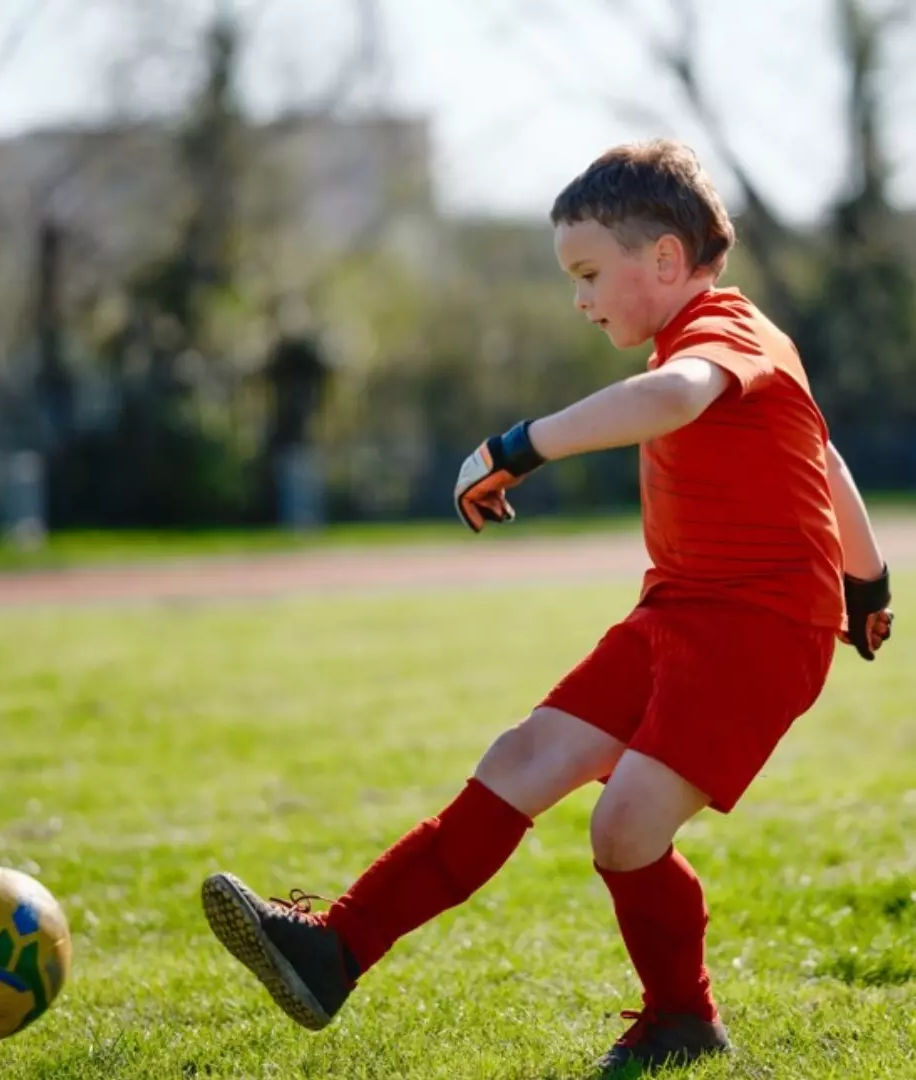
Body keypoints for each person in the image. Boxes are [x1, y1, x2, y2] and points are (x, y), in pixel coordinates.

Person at [200, 140, 894, 1074]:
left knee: (624, 830)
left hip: (761, 629)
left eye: (588, 273)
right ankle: (335, 950)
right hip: (677, 613)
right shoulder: (718, 345)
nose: (579, 299)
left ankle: (683, 1017)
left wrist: (522, 444)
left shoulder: (725, 333)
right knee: (521, 757)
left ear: (662, 259)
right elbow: (826, 455)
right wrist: (871, 577)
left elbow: (675, 398)